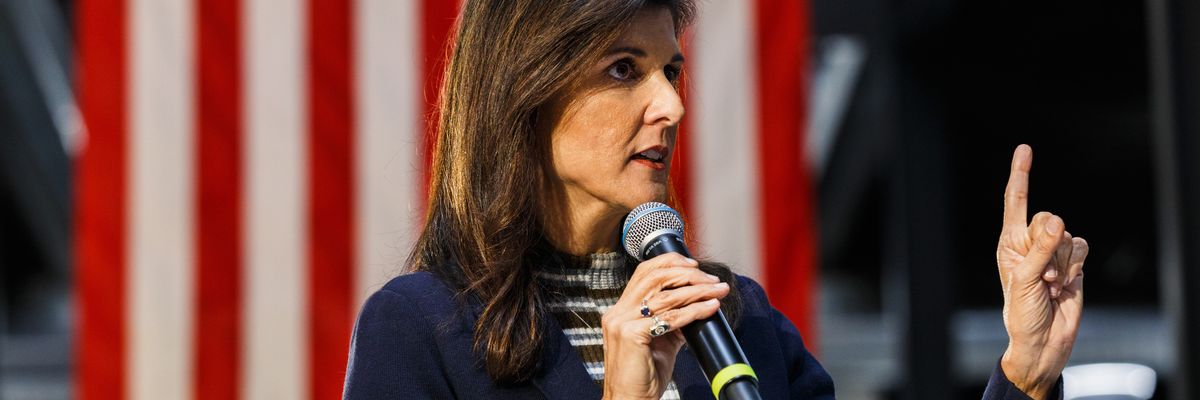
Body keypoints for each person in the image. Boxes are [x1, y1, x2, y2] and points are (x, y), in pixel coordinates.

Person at [342, 0, 1089, 398]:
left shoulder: (741, 320)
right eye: (622, 69)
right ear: (524, 91)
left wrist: (1023, 373)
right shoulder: (421, 332)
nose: (670, 103)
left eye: (671, 68)